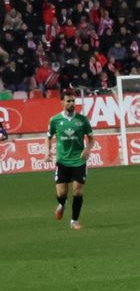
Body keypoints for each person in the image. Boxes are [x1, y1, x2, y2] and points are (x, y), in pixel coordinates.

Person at [48, 93, 94, 228]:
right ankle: (62, 204)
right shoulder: (55, 120)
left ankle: (74, 221)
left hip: (79, 161)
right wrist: (47, 151)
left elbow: (91, 139)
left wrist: (87, 149)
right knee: (61, 193)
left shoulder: (83, 120)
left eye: (73, 100)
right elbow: (48, 137)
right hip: (62, 161)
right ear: (62, 103)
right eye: (68, 101)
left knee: (77, 191)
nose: (71, 103)